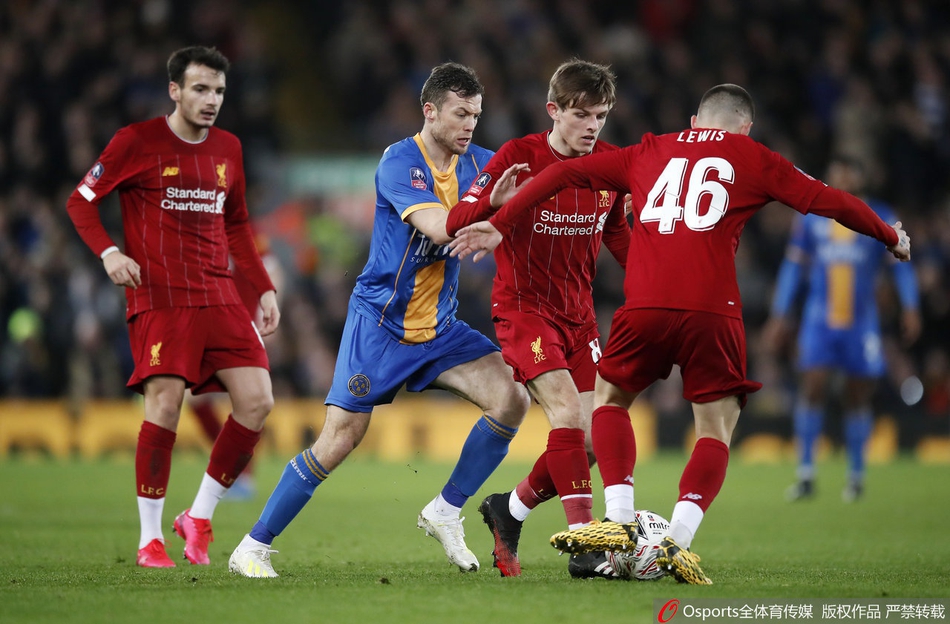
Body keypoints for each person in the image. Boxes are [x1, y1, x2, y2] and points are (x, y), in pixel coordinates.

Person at [451, 84, 912, 584]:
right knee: (714, 429)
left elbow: (561, 173)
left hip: (644, 305)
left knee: (608, 405)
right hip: (713, 312)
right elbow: (830, 202)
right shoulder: (752, 155)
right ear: (745, 128)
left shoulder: (650, 149)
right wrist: (891, 236)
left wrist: (500, 220)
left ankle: (611, 519)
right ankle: (677, 542)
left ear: (694, 121)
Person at [227, 62, 530, 578]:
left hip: (440, 327)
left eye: (476, 115)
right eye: (460, 113)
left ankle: (445, 509)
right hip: (381, 327)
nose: (469, 125)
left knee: (512, 397)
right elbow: (437, 226)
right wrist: (489, 210)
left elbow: (534, 196)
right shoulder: (399, 162)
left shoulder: (480, 164)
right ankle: (252, 546)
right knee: (340, 439)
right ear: (429, 111)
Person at [65, 46, 281, 568]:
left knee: (257, 401)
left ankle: (199, 516)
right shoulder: (135, 142)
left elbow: (236, 224)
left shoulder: (228, 146)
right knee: (165, 405)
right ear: (175, 91)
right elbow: (81, 201)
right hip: (161, 297)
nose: (211, 101)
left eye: (219, 91)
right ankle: (149, 539)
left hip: (220, 293)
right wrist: (111, 253)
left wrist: (264, 287)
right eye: (201, 89)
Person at [443, 59, 631, 579]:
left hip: (580, 319)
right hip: (525, 312)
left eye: (602, 115)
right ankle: (585, 545)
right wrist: (491, 204)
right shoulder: (518, 157)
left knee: (594, 439)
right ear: (554, 111)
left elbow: (618, 235)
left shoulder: (611, 165)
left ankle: (510, 508)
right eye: (582, 115)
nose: (592, 126)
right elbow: (458, 218)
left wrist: (650, 283)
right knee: (567, 414)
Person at [763, 155, 920, 503]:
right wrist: (780, 313)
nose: (841, 178)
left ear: (860, 178)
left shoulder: (877, 212)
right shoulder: (813, 217)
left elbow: (901, 265)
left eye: (847, 172)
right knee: (813, 388)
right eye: (836, 173)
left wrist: (910, 305)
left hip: (861, 322)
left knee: (857, 396)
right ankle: (805, 474)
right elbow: (793, 269)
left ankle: (856, 475)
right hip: (818, 321)